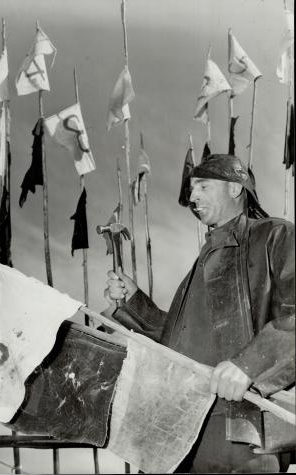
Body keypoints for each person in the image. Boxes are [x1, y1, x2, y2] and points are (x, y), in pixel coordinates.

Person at [104, 154, 295, 473]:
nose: (192, 197)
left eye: (203, 186)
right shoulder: (203, 261)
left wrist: (248, 365)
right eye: (192, 189)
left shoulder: (275, 235)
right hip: (177, 431)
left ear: (235, 189)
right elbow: (177, 344)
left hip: (240, 429)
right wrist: (133, 301)